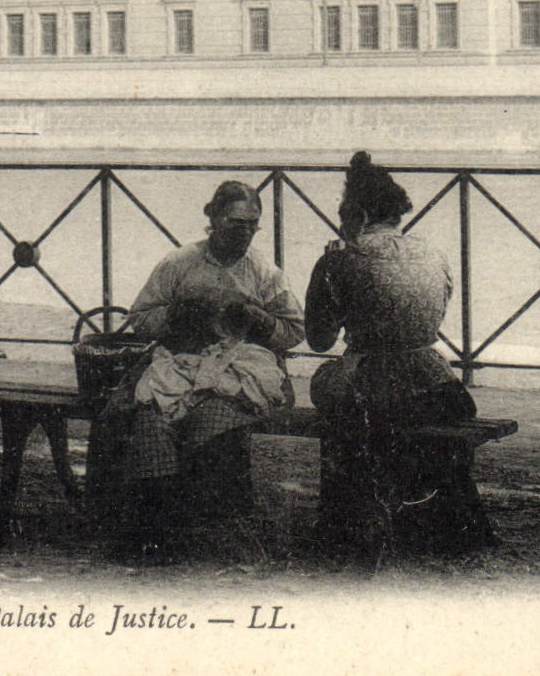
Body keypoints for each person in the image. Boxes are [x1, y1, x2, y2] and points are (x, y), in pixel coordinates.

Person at [101, 180, 304, 559]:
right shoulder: (180, 263)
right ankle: (156, 531)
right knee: (152, 420)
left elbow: (294, 332)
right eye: (235, 222)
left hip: (240, 368)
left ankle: (214, 528)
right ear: (211, 216)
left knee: (209, 424)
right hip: (180, 361)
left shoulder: (263, 271)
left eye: (252, 225)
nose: (244, 233)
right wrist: (179, 312)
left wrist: (255, 316)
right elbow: (140, 318)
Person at [305, 151, 477, 555]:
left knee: (326, 384)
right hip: (439, 389)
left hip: (374, 390)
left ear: (357, 215)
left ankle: (348, 522)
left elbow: (320, 340)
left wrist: (329, 273)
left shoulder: (339, 260)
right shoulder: (434, 255)